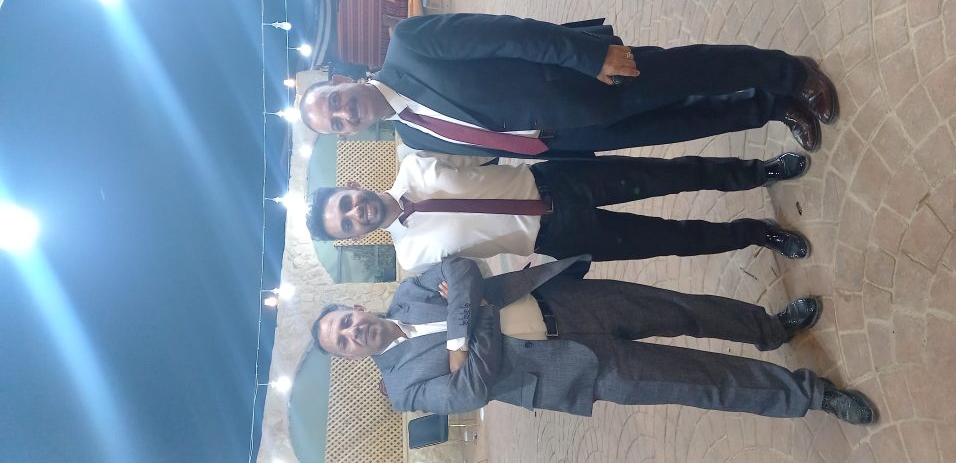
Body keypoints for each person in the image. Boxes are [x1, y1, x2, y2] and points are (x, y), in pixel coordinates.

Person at [311, 256, 877, 424]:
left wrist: (461, 338)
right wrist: (474, 311)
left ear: (355, 309)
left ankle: (771, 329)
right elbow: (472, 391)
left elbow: (460, 269)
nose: (352, 334)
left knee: (683, 309)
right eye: (343, 343)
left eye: (344, 323)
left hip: (566, 302)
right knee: (697, 382)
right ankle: (812, 395)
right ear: (349, 357)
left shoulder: (409, 291)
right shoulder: (403, 389)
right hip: (570, 371)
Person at [298, 14, 836, 158]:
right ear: (347, 134)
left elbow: (506, 34)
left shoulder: (409, 44)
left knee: (688, 73)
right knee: (684, 122)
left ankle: (790, 73)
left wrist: (587, 54)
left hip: (580, 78)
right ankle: (772, 107)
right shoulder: (413, 137)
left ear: (342, 81)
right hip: (573, 136)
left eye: (336, 102)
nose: (346, 113)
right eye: (338, 123)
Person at [305, 151, 812, 273]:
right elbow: (472, 278)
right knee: (670, 240)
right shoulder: (413, 259)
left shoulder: (416, 161)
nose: (356, 213)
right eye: (347, 224)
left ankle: (758, 172)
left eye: (346, 203)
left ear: (352, 186)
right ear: (355, 237)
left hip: (558, 179)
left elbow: (487, 148)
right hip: (557, 237)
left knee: (669, 175)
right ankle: (757, 234)